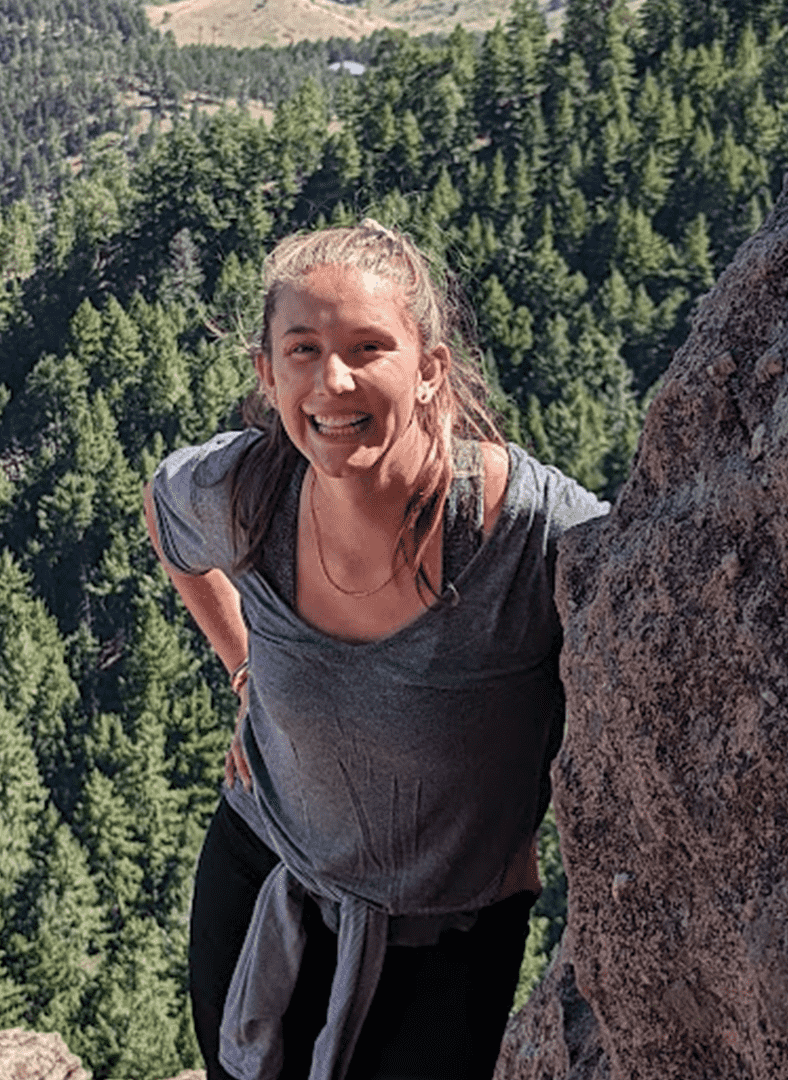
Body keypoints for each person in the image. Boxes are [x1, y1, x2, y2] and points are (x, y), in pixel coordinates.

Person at [144, 220, 608, 1080]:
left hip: (447, 935)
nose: (333, 380)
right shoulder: (250, 494)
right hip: (263, 879)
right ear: (267, 373)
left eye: (368, 347)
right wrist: (242, 664)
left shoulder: (525, 534)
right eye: (303, 349)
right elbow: (165, 519)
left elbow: (648, 630)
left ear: (429, 368)